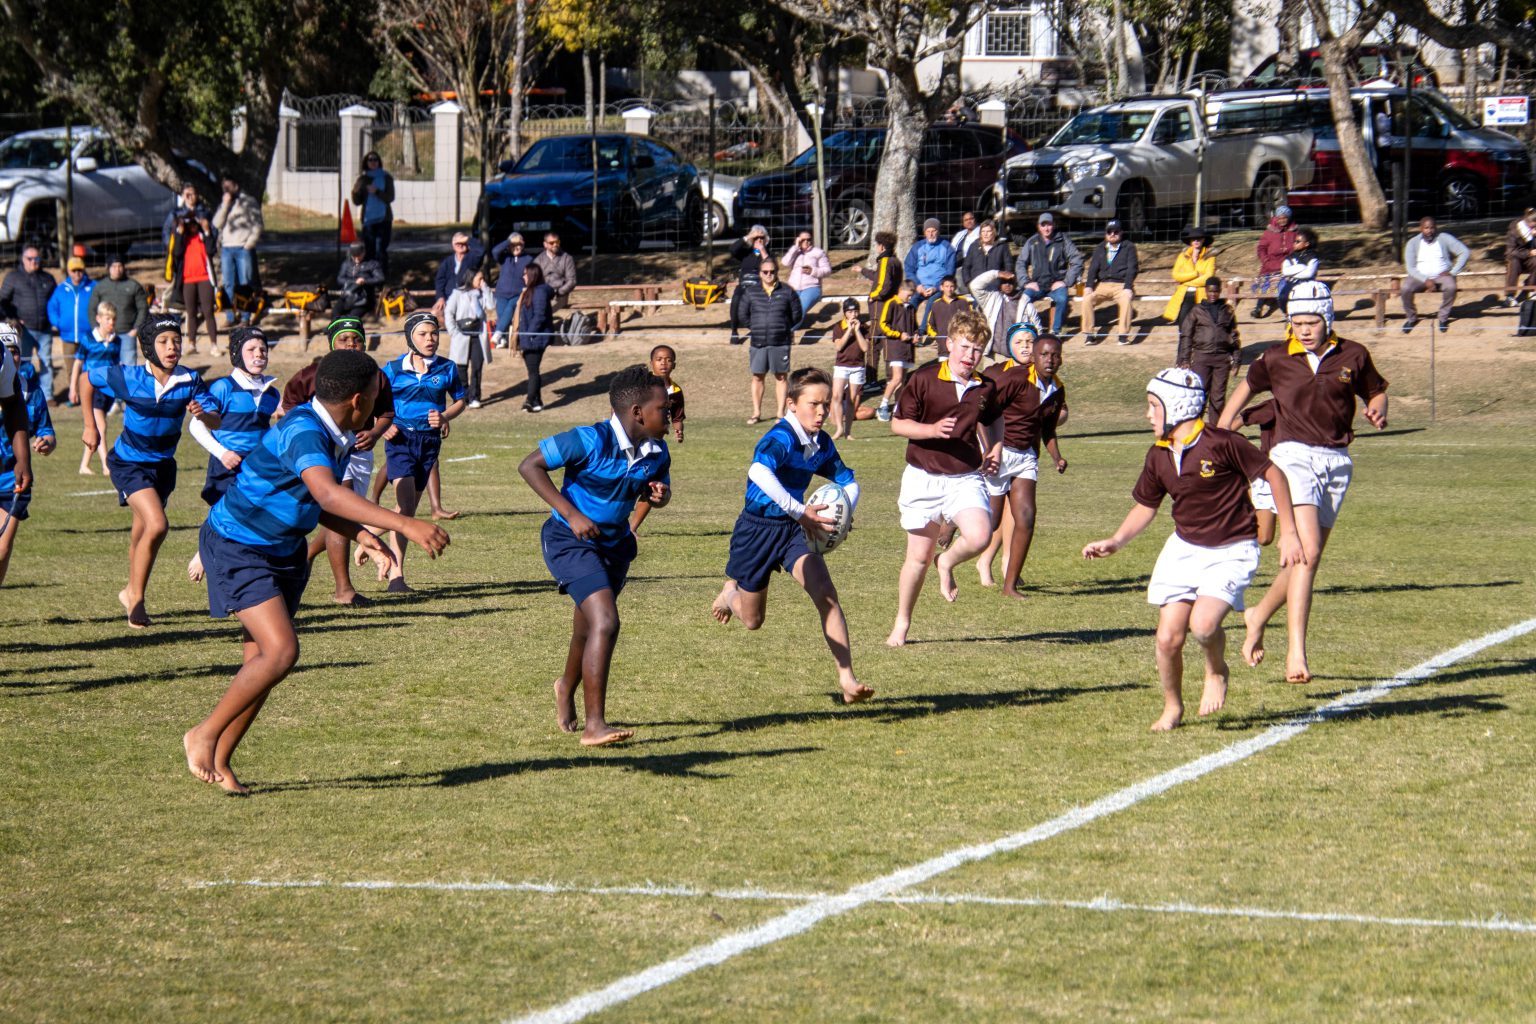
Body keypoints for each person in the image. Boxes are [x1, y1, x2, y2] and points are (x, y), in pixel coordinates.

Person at [183, 349, 450, 795]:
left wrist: (366, 538)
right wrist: (405, 522)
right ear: (359, 402)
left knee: (263, 664)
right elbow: (327, 494)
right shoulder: (305, 431)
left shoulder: (333, 432)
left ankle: (220, 756)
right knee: (282, 652)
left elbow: (316, 502)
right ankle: (202, 735)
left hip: (281, 550)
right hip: (239, 545)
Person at [1083, 368, 1302, 731]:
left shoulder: (1223, 443)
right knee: (1167, 638)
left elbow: (1273, 474)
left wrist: (1290, 532)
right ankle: (1173, 707)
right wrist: (1115, 541)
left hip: (1233, 549)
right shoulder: (1158, 455)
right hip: (1184, 548)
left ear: (1177, 406)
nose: (1148, 414)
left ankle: (1216, 670)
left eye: (1154, 406)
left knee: (1203, 625)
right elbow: (1146, 506)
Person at [1216, 280, 1389, 683]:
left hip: (1337, 462)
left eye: (1312, 322)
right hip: (1292, 456)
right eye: (1297, 323)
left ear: (1328, 319)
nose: (1304, 329)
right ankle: (1296, 652)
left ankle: (1258, 614)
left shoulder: (1355, 355)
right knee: (1306, 552)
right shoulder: (1276, 357)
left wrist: (1378, 411)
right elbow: (1244, 390)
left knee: (1307, 560)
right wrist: (1223, 431)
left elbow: (1376, 392)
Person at [518, 363, 672, 746]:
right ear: (638, 412)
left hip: (615, 545)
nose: (670, 416)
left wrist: (659, 496)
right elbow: (530, 465)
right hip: (569, 540)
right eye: (663, 410)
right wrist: (571, 515)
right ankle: (595, 725)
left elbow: (656, 487)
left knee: (587, 629)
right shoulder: (588, 440)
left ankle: (565, 687)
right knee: (606, 621)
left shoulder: (657, 451)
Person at [711, 366, 874, 704]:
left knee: (826, 594)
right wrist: (799, 510)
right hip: (756, 530)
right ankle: (731, 594)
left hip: (794, 531)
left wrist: (844, 512)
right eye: (813, 404)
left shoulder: (822, 443)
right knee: (753, 620)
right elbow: (758, 471)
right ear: (791, 405)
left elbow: (849, 482)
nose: (821, 411)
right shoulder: (781, 437)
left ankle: (847, 679)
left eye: (826, 404)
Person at [85, 314, 219, 628]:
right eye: (163, 341)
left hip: (162, 467)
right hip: (128, 463)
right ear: (148, 346)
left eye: (176, 340)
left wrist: (204, 415)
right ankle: (137, 598)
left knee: (141, 531)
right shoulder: (127, 376)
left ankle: (130, 591)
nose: (172, 347)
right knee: (157, 525)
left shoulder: (189, 380)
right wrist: (91, 426)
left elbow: (217, 420)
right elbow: (87, 380)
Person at [887, 310, 1004, 647]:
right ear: (950, 343)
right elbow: (898, 425)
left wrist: (994, 447)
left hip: (964, 476)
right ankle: (902, 623)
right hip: (923, 477)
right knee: (917, 559)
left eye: (978, 350)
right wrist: (932, 430)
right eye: (966, 347)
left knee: (981, 535)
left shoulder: (985, 386)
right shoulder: (923, 379)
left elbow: (994, 420)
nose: (971, 356)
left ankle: (947, 560)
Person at [281, 316, 400, 606]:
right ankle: (343, 589)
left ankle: (307, 557)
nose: (351, 345)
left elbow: (386, 413)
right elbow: (290, 405)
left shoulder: (377, 376)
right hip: (324, 453)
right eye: (344, 340)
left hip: (359, 451)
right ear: (332, 344)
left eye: (356, 339)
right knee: (343, 509)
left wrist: (373, 433)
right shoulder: (314, 373)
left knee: (344, 515)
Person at [186, 326, 281, 583]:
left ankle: (247, 567)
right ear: (237, 354)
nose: (258, 354)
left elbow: (262, 430)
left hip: (255, 466)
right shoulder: (222, 388)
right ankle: (203, 553)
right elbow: (197, 425)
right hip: (227, 462)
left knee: (253, 513)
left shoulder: (272, 393)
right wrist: (223, 452)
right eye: (251, 349)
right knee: (224, 511)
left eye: (263, 349)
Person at [978, 331, 1068, 598]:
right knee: (991, 523)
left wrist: (1057, 457)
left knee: (1026, 516)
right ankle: (950, 524)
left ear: (1061, 359)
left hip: (1026, 456)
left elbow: (1048, 429)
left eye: (1055, 355)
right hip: (1000, 451)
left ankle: (1010, 586)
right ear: (1034, 358)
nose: (1050, 360)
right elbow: (983, 415)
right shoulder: (1015, 379)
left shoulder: (1057, 389)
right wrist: (987, 450)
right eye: (1044, 354)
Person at [380, 312, 466, 590]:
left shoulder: (447, 368)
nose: (430, 339)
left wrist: (445, 417)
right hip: (400, 441)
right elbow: (371, 402)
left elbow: (462, 400)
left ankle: (366, 536)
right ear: (410, 338)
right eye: (423, 334)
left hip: (429, 443)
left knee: (407, 510)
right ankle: (397, 577)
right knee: (405, 509)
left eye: (434, 333)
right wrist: (382, 425)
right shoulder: (392, 369)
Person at [0, 324, 52, 588]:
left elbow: (15, 407)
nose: (12, 355)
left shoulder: (31, 391)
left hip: (10, 476)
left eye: (15, 351)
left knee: (1, 548)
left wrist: (25, 459)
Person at [629, 344, 685, 533]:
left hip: (656, 442)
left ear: (674, 365)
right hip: (635, 438)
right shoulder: (641, 386)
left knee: (654, 485)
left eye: (668, 360)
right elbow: (623, 407)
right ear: (651, 363)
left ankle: (632, 528)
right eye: (659, 359)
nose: (664, 363)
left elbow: (677, 415)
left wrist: (678, 430)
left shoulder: (676, 391)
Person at [743, 260, 802, 425]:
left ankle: (780, 414)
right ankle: (756, 413)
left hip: (780, 342)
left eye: (772, 272)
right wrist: (755, 327)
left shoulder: (787, 291)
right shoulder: (751, 292)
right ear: (760, 273)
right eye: (765, 272)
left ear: (777, 272)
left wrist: (783, 327)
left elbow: (796, 313)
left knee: (781, 377)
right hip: (758, 342)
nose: (769, 275)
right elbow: (743, 314)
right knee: (757, 376)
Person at [1177, 276, 1242, 420]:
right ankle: (1195, 428)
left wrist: (1237, 360)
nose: (1213, 294)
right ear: (1205, 291)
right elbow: (1186, 335)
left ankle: (1214, 431)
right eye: (1210, 291)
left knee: (1218, 397)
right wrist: (1184, 359)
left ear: (1220, 291)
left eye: (1216, 291)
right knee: (1199, 393)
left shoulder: (1227, 311)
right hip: (1201, 357)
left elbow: (1234, 336)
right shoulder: (1196, 310)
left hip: (1222, 359)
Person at [70, 300, 122, 475]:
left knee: (95, 427)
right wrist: (73, 388)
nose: (111, 323)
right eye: (108, 319)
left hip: (108, 389)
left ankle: (84, 465)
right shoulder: (88, 339)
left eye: (113, 320)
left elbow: (116, 365)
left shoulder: (117, 341)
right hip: (92, 388)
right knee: (101, 425)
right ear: (99, 318)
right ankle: (106, 465)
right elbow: (78, 363)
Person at [0, 246, 57, 402]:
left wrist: (55, 320)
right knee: (22, 361)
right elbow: (3, 301)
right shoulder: (13, 278)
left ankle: (48, 396)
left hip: (44, 329)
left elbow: (56, 302)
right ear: (23, 259)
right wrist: (13, 319)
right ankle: (20, 392)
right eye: (30, 259)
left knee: (46, 362)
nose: (34, 262)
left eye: (37, 259)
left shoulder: (48, 278)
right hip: (23, 331)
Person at [167, 197, 220, 356]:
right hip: (188, 280)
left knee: (208, 311)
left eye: (194, 223)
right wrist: (179, 232)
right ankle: (191, 344)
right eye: (190, 223)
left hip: (204, 278)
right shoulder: (183, 239)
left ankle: (214, 344)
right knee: (190, 312)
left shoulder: (203, 237)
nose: (192, 226)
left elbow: (211, 250)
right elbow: (176, 252)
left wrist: (208, 230)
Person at [1015, 213, 1083, 335]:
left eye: (1049, 224)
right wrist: (1026, 282)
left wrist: (1066, 281)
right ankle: (1026, 329)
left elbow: (1077, 259)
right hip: (1038, 284)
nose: (1046, 228)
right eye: (1043, 225)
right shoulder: (1032, 242)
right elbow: (1020, 263)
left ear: (1054, 225)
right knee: (1024, 299)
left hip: (1056, 284)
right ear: (1038, 227)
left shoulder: (1062, 240)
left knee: (1062, 299)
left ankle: (1056, 331)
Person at [1400, 216, 1468, 333]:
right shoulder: (1412, 243)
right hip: (1419, 276)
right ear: (1420, 228)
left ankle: (1443, 318)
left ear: (1435, 228)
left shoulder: (1444, 238)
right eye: (1426, 228)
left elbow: (1465, 252)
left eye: (1432, 227)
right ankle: (1412, 318)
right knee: (1405, 288)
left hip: (1441, 276)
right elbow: (1410, 268)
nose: (1429, 231)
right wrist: (1425, 279)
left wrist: (1452, 272)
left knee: (1451, 287)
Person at [214, 171, 264, 326]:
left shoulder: (248, 202)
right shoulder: (225, 203)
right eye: (224, 187)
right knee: (228, 283)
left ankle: (245, 317)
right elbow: (216, 223)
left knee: (244, 283)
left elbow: (258, 224)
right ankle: (230, 316)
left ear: (236, 185)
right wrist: (225, 205)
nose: (226, 190)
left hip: (243, 248)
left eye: (229, 186)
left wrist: (249, 243)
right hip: (227, 249)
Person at [1080, 220, 1138, 345]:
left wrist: (1128, 287)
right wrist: (1089, 286)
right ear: (1105, 234)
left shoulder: (1129, 247)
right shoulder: (1100, 248)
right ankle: (1089, 335)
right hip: (1102, 284)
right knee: (1087, 299)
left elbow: (1132, 269)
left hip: (1121, 285)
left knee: (1126, 300)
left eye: (1116, 231)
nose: (1112, 234)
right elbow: (1093, 269)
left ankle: (1123, 336)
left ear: (1121, 233)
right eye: (1109, 232)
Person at [444, 268, 494, 410]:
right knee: (461, 367)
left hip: (478, 335)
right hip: (461, 335)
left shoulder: (481, 294)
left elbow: (491, 306)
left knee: (477, 367)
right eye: (479, 279)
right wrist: (453, 331)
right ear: (470, 278)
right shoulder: (458, 294)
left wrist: (485, 288)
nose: (481, 281)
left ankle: (475, 396)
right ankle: (463, 396)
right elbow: (449, 312)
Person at [829, 298, 876, 440]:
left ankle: (848, 432)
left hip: (857, 367)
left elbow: (865, 348)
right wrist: (849, 330)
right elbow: (839, 346)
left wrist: (857, 331)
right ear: (845, 313)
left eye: (855, 311)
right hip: (842, 366)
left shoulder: (864, 327)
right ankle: (839, 428)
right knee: (836, 396)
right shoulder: (838, 327)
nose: (853, 314)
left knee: (851, 399)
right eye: (850, 312)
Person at [968, 269, 1040, 359]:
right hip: (992, 356)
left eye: (1010, 282)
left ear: (1015, 284)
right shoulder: (990, 298)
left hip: (1016, 357)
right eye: (1004, 282)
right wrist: (996, 273)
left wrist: (1033, 352)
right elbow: (974, 286)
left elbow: (1038, 329)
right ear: (999, 285)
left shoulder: (1025, 303)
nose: (1007, 285)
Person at [47, 257, 95, 392]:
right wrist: (58, 323)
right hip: (67, 337)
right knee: (70, 367)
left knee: (88, 367)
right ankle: (74, 393)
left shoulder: (93, 286)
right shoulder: (61, 289)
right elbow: (52, 307)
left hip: (88, 336)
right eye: (74, 270)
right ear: (68, 271)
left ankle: (89, 393)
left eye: (79, 270)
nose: (77, 273)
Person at [876, 278, 919, 422]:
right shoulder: (891, 304)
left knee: (903, 381)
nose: (911, 297)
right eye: (909, 293)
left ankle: (898, 409)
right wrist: (898, 334)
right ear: (901, 290)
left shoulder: (911, 307)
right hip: (894, 347)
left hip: (907, 349)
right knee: (897, 378)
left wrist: (915, 335)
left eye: (912, 294)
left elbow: (914, 326)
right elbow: (883, 324)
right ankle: (883, 406)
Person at [904, 217, 956, 333]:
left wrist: (937, 287)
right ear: (924, 233)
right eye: (928, 231)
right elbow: (909, 268)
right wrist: (917, 285)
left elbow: (950, 271)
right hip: (919, 287)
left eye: (933, 231)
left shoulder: (947, 247)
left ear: (938, 231)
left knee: (931, 303)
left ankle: (922, 331)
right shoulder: (917, 247)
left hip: (938, 288)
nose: (931, 234)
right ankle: (910, 330)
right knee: (910, 305)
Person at [860, 230, 901, 371]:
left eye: (877, 245)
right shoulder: (895, 261)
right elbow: (879, 277)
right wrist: (862, 270)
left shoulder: (884, 261)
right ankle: (891, 376)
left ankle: (871, 379)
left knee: (873, 343)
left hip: (879, 308)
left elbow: (884, 285)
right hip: (891, 308)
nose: (876, 247)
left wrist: (873, 296)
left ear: (882, 246)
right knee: (888, 343)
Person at [516, 262, 555, 412]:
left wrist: (530, 333)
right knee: (532, 370)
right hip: (529, 337)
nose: (523, 277)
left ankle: (529, 399)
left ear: (532, 275)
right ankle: (537, 402)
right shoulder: (531, 291)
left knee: (533, 371)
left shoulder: (539, 292)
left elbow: (540, 315)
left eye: (525, 274)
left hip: (535, 338)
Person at [352, 151, 396, 275]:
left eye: (375, 159)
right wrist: (355, 191)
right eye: (370, 160)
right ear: (366, 163)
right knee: (369, 250)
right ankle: (369, 277)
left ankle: (381, 278)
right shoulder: (363, 179)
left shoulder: (386, 177)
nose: (373, 162)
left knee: (380, 250)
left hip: (384, 219)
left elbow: (390, 197)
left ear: (379, 162)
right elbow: (357, 201)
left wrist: (376, 191)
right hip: (368, 220)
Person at [728, 225, 772, 345]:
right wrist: (748, 236)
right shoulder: (746, 253)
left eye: (761, 238)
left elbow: (770, 265)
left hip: (759, 286)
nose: (759, 240)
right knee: (736, 300)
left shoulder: (767, 254)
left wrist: (762, 250)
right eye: (756, 238)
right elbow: (732, 249)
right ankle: (734, 332)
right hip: (743, 285)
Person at [1163, 225, 1214, 328]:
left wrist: (1186, 281)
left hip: (1202, 295)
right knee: (1183, 323)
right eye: (1193, 239)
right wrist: (1195, 274)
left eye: (1198, 238)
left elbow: (1208, 278)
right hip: (1184, 294)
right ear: (1190, 241)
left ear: (1203, 240)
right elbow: (1176, 275)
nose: (1196, 241)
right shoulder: (1182, 256)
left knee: (1201, 324)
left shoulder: (1210, 257)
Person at [490, 233, 535, 349]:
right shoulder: (505, 257)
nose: (516, 247)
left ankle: (498, 333)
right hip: (502, 293)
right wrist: (508, 241)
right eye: (513, 245)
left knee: (510, 308)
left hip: (518, 293)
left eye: (519, 244)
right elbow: (495, 251)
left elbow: (532, 276)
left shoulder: (528, 259)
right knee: (501, 315)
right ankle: (504, 339)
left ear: (523, 245)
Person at [1251, 205, 1296, 318]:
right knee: (1264, 283)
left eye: (1284, 218)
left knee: (1284, 285)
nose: (1282, 220)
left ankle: (1286, 312)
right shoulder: (1269, 232)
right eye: (1279, 218)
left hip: (1287, 267)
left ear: (1289, 218)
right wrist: (1266, 261)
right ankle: (1258, 307)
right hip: (1269, 265)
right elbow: (1261, 248)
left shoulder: (1294, 231)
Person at [90, 257, 147, 346]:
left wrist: (136, 329)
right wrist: (96, 328)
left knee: (128, 360)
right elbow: (92, 309)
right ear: (108, 268)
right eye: (114, 266)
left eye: (120, 266)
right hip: (105, 335)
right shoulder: (100, 286)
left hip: (127, 334)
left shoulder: (134, 286)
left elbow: (143, 308)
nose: (117, 269)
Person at [781, 231, 832, 330]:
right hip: (793, 287)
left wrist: (813, 271)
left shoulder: (818, 252)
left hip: (811, 287)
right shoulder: (795, 252)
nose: (806, 242)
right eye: (803, 240)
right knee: (784, 309)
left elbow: (827, 271)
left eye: (809, 239)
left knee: (799, 309)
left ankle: (788, 333)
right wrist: (795, 248)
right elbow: (785, 262)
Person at [432, 232, 485, 318]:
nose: (460, 245)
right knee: (435, 313)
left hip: (467, 298)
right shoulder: (447, 262)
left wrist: (467, 239)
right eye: (458, 243)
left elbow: (481, 251)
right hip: (449, 298)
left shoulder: (472, 258)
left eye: (463, 243)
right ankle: (451, 330)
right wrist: (440, 297)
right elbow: (439, 281)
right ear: (453, 246)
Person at [923, 275, 971, 357]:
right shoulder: (936, 304)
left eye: (952, 286)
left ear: (955, 287)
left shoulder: (963, 302)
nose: (949, 289)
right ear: (941, 287)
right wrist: (937, 337)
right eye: (947, 286)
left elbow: (970, 321)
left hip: (961, 347)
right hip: (943, 349)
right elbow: (930, 324)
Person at [334, 242, 384, 319]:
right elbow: (340, 279)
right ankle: (333, 329)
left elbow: (380, 278)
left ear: (363, 253)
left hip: (364, 297)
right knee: (336, 312)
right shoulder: (346, 264)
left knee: (352, 317)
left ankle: (351, 329)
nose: (357, 259)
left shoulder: (372, 264)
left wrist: (365, 281)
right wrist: (353, 282)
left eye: (359, 256)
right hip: (347, 295)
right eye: (354, 256)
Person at [959, 219, 1010, 294]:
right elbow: (966, 267)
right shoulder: (974, 247)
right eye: (983, 231)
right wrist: (968, 283)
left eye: (988, 231)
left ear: (994, 232)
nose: (985, 234)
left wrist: (1004, 283)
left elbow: (1008, 266)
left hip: (996, 289)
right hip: (977, 289)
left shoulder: (1002, 247)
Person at [1277, 226, 1321, 313]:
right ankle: (1287, 315)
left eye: (1298, 242)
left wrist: (1293, 271)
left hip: (1307, 284)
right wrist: (1302, 267)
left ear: (1306, 244)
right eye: (1294, 241)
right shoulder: (1291, 256)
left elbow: (1309, 274)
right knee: (1282, 297)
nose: (1294, 243)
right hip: (1291, 283)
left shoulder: (1313, 257)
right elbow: (1285, 271)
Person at [161, 182, 212, 249]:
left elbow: (212, 230)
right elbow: (166, 231)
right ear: (182, 196)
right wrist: (172, 248)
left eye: (192, 194)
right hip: (181, 250)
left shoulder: (205, 213)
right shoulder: (175, 213)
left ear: (196, 195)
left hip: (200, 250)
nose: (190, 197)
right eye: (187, 194)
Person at [535, 232, 577, 311]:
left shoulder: (567, 258)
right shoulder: (538, 260)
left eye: (557, 242)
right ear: (545, 244)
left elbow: (572, 281)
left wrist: (558, 292)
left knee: (546, 309)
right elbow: (534, 280)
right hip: (543, 293)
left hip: (560, 295)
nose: (555, 245)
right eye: (551, 243)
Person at [1504, 207, 1536, 306]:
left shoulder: (1533, 230)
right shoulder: (1515, 229)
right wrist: (1529, 253)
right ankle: (1510, 296)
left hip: (1529, 259)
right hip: (1516, 258)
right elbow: (1510, 252)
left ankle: (1530, 289)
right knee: (1513, 262)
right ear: (1530, 223)